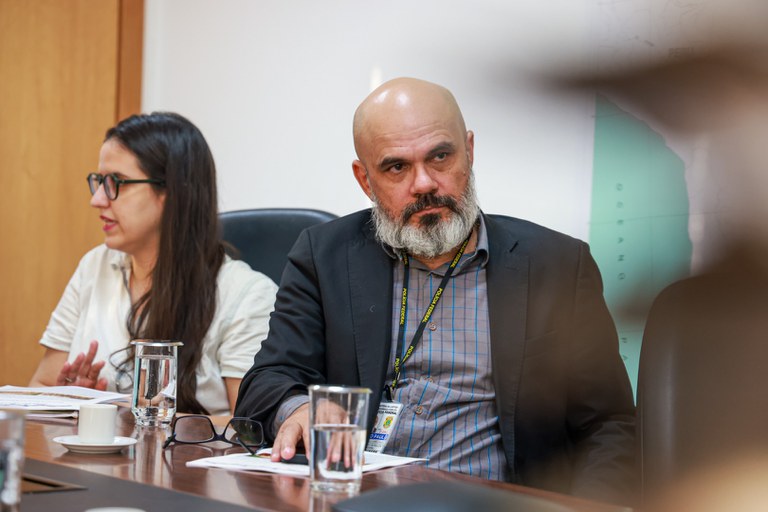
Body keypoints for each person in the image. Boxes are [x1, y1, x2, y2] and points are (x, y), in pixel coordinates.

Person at [235, 78, 635, 501]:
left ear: (470, 152)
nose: (424, 183)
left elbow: (609, 426)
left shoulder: (556, 265)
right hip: (355, 501)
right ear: (365, 179)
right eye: (396, 167)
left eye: (440, 156)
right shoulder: (324, 255)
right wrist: (297, 407)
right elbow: (269, 378)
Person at [29, 112, 278, 416]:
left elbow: (249, 427)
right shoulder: (95, 265)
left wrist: (125, 412)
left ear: (173, 192)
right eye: (99, 181)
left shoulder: (246, 295)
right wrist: (72, 398)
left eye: (116, 183)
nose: (97, 200)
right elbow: (40, 387)